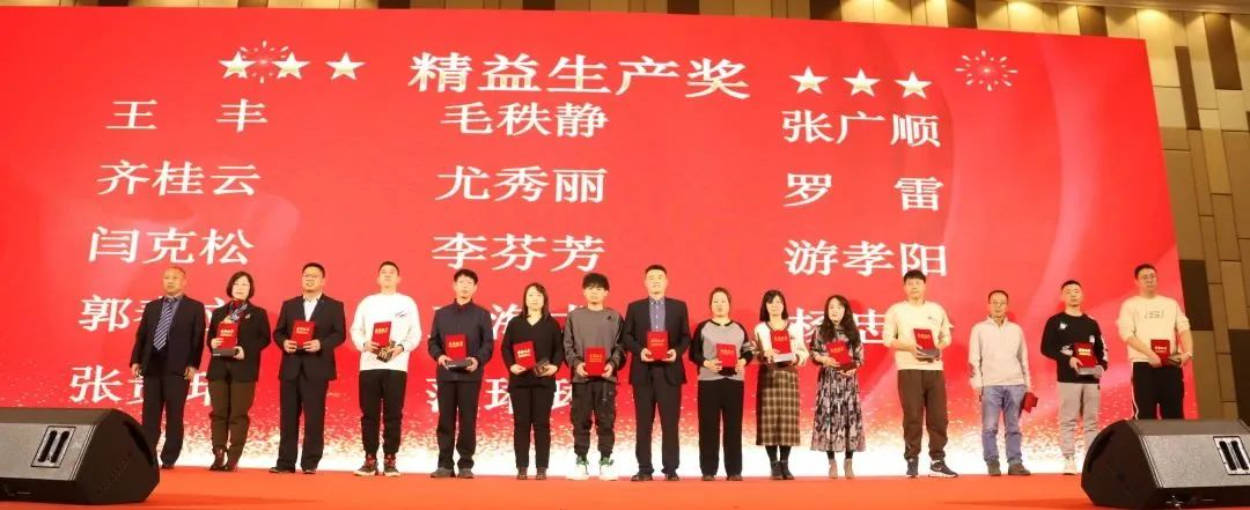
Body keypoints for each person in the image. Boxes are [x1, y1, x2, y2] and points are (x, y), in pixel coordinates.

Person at [270, 262, 346, 475]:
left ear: (323, 281)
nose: (309, 279)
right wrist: (284, 343)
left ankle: (310, 462)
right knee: (288, 417)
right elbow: (278, 332)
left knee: (314, 417)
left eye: (314, 276)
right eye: (306, 276)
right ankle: (285, 462)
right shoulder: (289, 305)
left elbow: (340, 334)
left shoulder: (334, 306)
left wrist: (321, 344)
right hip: (291, 367)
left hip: (317, 367)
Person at [882, 270, 958, 478]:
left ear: (924, 286)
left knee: (939, 417)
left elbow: (946, 337)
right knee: (913, 416)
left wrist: (937, 347)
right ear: (904, 287)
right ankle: (912, 459)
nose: (914, 286)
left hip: (934, 369)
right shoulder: (896, 310)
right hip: (909, 369)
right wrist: (909, 347)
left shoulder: (936, 309)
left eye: (918, 283)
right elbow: (888, 339)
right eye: (910, 283)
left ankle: (937, 461)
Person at [129, 266, 206, 470]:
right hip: (152, 366)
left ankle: (169, 457)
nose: (170, 281)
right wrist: (136, 360)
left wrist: (193, 364)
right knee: (150, 415)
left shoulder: (195, 307)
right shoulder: (152, 307)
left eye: (175, 278)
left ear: (184, 282)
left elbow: (198, 338)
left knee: (174, 415)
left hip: (178, 369)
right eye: (166, 277)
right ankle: (147, 455)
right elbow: (142, 335)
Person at [349, 261, 421, 477]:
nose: (387, 275)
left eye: (392, 273)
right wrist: (364, 344)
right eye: (383, 272)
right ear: (378, 278)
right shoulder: (367, 302)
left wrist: (401, 348)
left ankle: (390, 458)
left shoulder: (407, 303)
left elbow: (415, 333)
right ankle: (370, 459)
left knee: (393, 414)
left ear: (399, 279)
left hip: (396, 366)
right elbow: (356, 330)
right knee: (369, 414)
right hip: (369, 365)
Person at [621, 264, 690, 482]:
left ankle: (671, 468)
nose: (656, 281)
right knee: (643, 423)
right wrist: (640, 351)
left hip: (670, 372)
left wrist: (675, 352)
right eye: (651, 277)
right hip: (643, 371)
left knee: (670, 423)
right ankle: (644, 469)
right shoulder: (635, 307)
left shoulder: (679, 307)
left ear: (667, 281)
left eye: (660, 277)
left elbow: (686, 337)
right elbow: (627, 336)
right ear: (645, 282)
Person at [428, 268, 494, 479]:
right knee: (445, 420)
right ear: (454, 286)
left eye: (469, 283)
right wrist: (439, 356)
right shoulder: (441, 314)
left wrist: (477, 360)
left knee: (468, 420)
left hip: (470, 375)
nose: (465, 286)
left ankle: (465, 464)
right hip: (446, 375)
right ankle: (445, 464)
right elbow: (433, 342)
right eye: (461, 282)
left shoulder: (482, 314)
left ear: (475, 288)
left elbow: (488, 344)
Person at [1041, 280, 1108, 475]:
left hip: (1091, 380)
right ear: (1062, 296)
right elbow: (1046, 348)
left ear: (1082, 295)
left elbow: (1101, 350)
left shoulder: (1091, 323)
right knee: (1068, 420)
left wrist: (1101, 367)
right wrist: (1068, 359)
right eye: (1068, 291)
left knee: (1091, 422)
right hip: (1068, 379)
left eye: (1076, 291)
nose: (1073, 294)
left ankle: (1092, 462)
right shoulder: (1055, 321)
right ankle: (1069, 459)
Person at [563, 272, 625, 481]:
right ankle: (581, 461)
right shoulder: (574, 317)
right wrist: (577, 364)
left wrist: (612, 364)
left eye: (599, 289)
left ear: (606, 292)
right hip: (581, 378)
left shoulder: (615, 317)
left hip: (606, 379)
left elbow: (621, 346)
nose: (594, 292)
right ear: (583, 291)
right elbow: (567, 345)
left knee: (606, 421)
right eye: (590, 288)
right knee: (580, 420)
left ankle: (605, 461)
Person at [206, 271, 270, 472]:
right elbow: (210, 339)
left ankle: (233, 457)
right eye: (237, 284)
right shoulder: (219, 313)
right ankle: (218, 453)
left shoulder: (258, 313)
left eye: (245, 284)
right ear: (230, 287)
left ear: (251, 289)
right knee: (218, 413)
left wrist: (246, 350)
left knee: (238, 414)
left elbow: (264, 339)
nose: (240, 287)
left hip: (244, 370)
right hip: (218, 369)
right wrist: (213, 343)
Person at [500, 282, 564, 480]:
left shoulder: (551, 324)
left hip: (543, 382)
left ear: (544, 299)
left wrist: (555, 366)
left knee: (542, 424)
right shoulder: (515, 323)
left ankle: (542, 468)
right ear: (525, 299)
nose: (534, 299)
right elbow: (505, 348)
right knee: (521, 424)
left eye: (538, 295)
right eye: (530, 295)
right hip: (520, 381)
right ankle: (521, 467)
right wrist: (511, 366)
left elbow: (559, 349)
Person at [968, 290, 1032, 477]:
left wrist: (1027, 384)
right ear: (988, 305)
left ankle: (1015, 463)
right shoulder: (979, 329)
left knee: (1014, 427)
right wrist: (977, 384)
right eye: (994, 302)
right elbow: (974, 359)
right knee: (990, 427)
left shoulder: (1016, 330)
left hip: (1016, 384)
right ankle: (992, 461)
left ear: (1007, 306)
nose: (998, 306)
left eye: (1002, 303)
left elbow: (1023, 359)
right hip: (990, 385)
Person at [690, 287, 751, 481]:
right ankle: (708, 470)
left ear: (729, 305)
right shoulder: (703, 327)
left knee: (733, 426)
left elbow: (748, 352)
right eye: (715, 301)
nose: (719, 305)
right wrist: (707, 363)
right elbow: (693, 353)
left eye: (723, 301)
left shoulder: (739, 328)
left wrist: (743, 361)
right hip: (709, 382)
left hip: (734, 382)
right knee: (708, 426)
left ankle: (734, 470)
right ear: (710, 305)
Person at [1117, 264, 1193, 420]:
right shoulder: (1130, 305)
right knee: (1145, 415)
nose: (1149, 280)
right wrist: (1151, 354)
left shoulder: (1170, 304)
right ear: (1137, 281)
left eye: (1152, 276)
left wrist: (1188, 353)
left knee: (1174, 414)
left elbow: (1184, 328)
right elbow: (1127, 334)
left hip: (1171, 363)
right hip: (1143, 364)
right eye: (1145, 277)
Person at [752, 289, 809, 480]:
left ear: (784, 305)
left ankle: (785, 462)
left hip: (788, 376)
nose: (775, 306)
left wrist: (796, 357)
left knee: (787, 421)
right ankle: (773, 464)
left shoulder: (794, 328)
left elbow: (804, 352)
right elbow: (752, 352)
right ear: (765, 306)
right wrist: (764, 353)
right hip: (768, 376)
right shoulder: (760, 329)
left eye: (778, 302)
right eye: (771, 302)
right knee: (769, 421)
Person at [808, 295, 865, 480]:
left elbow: (859, 357)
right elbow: (813, 352)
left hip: (848, 382)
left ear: (845, 311)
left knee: (850, 419)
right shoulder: (820, 331)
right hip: (829, 381)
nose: (835, 310)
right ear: (827, 310)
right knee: (828, 419)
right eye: (831, 307)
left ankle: (849, 461)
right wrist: (824, 359)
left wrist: (854, 367)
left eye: (839, 307)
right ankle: (831, 462)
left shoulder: (853, 332)